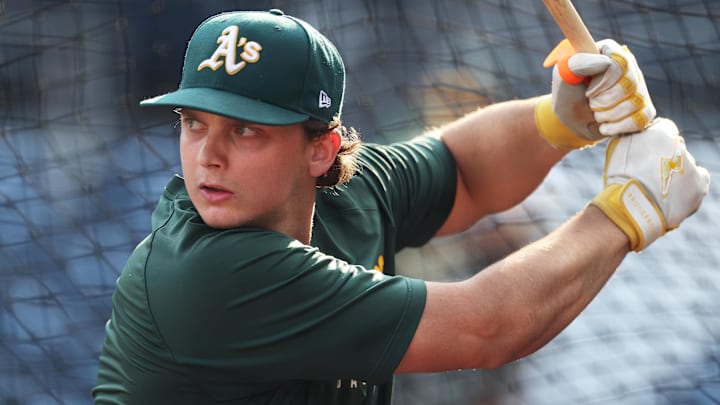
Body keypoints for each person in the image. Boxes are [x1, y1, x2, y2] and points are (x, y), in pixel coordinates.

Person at [93, 8, 710, 405]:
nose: (208, 156)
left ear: (320, 152)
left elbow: (461, 167)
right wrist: (627, 213)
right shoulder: (208, 273)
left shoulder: (337, 199)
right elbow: (486, 328)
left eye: (246, 130)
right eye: (194, 123)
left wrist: (562, 118)